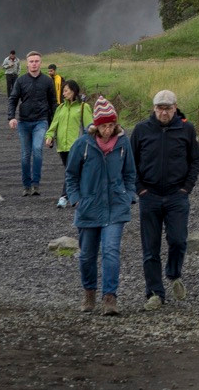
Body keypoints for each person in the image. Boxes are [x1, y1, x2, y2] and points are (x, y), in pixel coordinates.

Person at [64, 96, 136, 317]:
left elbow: (130, 173)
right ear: (96, 125)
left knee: (111, 251)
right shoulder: (82, 144)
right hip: (88, 207)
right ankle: (89, 293)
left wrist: (129, 195)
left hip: (116, 206)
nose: (108, 130)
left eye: (111, 125)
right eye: (104, 125)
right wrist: (76, 198)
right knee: (86, 255)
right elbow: (71, 175)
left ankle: (110, 297)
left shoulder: (123, 143)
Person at [133, 90, 199, 310]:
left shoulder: (186, 129)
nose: (164, 112)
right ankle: (154, 293)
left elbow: (196, 159)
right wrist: (140, 189)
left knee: (179, 240)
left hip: (176, 195)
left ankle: (174, 274)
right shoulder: (141, 130)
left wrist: (186, 188)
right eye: (160, 108)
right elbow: (130, 162)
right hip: (149, 196)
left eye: (168, 108)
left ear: (175, 107)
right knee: (150, 248)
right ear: (154, 108)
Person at [9, 51, 56, 196]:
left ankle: (36, 184)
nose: (34, 64)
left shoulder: (48, 81)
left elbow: (53, 103)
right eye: (31, 61)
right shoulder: (21, 81)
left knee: (37, 149)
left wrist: (53, 125)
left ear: (40, 63)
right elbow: (13, 99)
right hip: (24, 122)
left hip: (40, 121)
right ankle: (26, 185)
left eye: (36, 61)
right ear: (27, 63)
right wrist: (11, 117)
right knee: (25, 154)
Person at [47, 80, 92, 193]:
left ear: (73, 91)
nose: (63, 93)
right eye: (63, 91)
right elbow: (54, 125)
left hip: (76, 146)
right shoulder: (60, 108)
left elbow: (90, 127)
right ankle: (79, 193)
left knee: (70, 171)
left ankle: (65, 196)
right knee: (72, 171)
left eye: (66, 90)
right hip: (62, 146)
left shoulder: (83, 107)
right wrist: (49, 136)